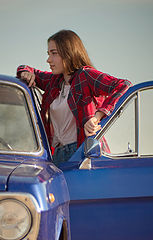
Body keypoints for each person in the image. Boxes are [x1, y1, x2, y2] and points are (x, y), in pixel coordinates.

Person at [16, 29, 132, 166]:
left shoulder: (85, 75)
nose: (48, 60)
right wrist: (25, 73)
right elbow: (26, 69)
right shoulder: (53, 81)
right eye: (48, 54)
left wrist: (97, 116)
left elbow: (124, 85)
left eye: (54, 53)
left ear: (68, 53)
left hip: (83, 152)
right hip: (57, 154)